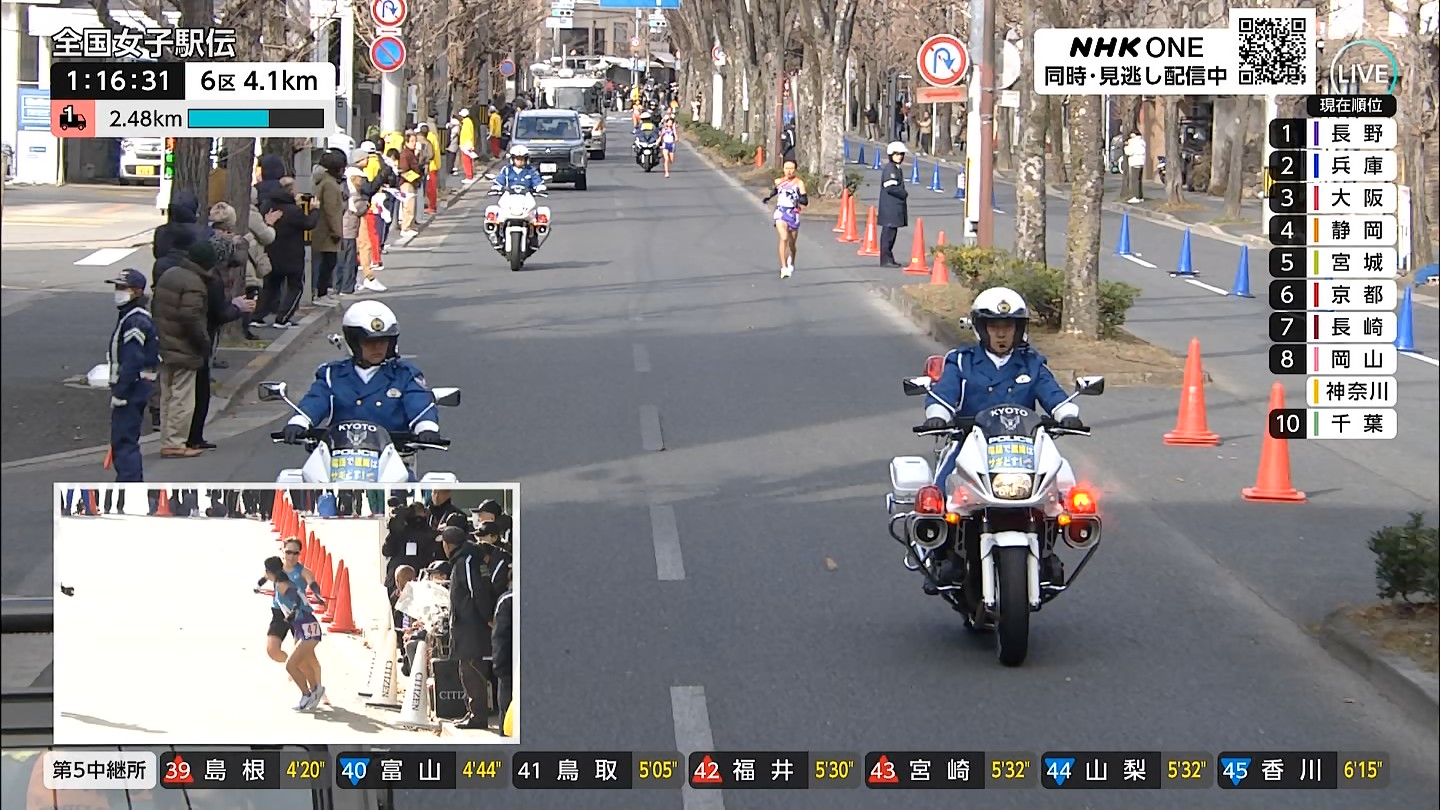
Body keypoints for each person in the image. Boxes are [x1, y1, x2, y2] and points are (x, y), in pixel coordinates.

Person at [919, 287, 1082, 591]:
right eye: (994, 326)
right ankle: (940, 557)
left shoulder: (1032, 363)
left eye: (1009, 326)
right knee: (937, 494)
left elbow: (1053, 394)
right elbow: (944, 393)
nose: (1002, 334)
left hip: (1024, 447)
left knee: (1062, 492)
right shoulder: (962, 361)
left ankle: (1047, 551)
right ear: (981, 328)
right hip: (970, 443)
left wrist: (1067, 413)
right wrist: (938, 415)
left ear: (1019, 329)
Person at [280, 300, 441, 448]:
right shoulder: (332, 375)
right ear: (354, 342)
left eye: (383, 340)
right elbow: (316, 400)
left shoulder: (404, 375)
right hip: (338, 454)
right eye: (369, 342)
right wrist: (299, 422)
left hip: (393, 456)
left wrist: (426, 427)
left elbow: (418, 402)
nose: (377, 347)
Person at [152, 241, 212, 458]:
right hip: (184, 346)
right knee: (183, 396)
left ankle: (167, 440)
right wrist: (203, 342)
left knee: (167, 395)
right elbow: (191, 316)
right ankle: (176, 442)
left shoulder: (170, 274)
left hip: (165, 342)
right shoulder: (194, 282)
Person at [441, 525, 496, 730]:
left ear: (448, 545)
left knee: (471, 670)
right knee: (467, 669)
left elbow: (477, 591)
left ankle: (478, 716)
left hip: (471, 626)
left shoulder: (466, 561)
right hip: (468, 625)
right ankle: (473, 712)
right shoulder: (469, 559)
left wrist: (487, 616)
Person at [106, 269, 159, 482]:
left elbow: (133, 359)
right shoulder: (131, 316)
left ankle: (129, 487)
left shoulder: (135, 320)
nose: (118, 292)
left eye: (122, 288)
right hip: (136, 386)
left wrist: (121, 392)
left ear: (137, 291)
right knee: (124, 441)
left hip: (132, 388)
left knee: (124, 442)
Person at [257, 554, 327, 711]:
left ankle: (307, 694)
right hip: (303, 628)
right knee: (300, 662)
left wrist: (293, 612)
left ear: (269, 572)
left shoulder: (282, 585)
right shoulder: (279, 581)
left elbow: (295, 598)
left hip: (307, 628)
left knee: (291, 665)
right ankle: (315, 690)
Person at [251, 175, 319, 329]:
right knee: (296, 286)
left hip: (272, 251)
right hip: (292, 254)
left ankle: (258, 316)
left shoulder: (268, 205)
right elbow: (309, 224)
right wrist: (314, 210)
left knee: (270, 286)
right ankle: (283, 317)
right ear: (291, 191)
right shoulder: (293, 211)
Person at [761, 158, 808, 279]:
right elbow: (775, 191)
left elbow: (805, 201)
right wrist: (768, 198)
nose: (789, 171)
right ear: (783, 169)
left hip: (793, 213)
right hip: (781, 212)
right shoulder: (779, 181)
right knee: (784, 237)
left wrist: (797, 198)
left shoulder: (799, 183)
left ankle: (791, 261)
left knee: (792, 244)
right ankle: (783, 267)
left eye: (791, 168)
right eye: (786, 168)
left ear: (795, 170)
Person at [310, 148, 346, 305]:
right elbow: (331, 210)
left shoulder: (322, 180)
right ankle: (321, 293)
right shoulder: (330, 184)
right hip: (327, 231)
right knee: (328, 262)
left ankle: (321, 292)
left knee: (324, 262)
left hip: (321, 228)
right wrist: (336, 231)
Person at [877, 141, 909, 268]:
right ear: (891, 155)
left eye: (901, 154)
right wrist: (903, 193)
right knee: (888, 235)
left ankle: (888, 258)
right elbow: (890, 187)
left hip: (893, 207)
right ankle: (886, 259)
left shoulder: (896, 168)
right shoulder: (890, 169)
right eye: (896, 154)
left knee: (891, 234)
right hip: (890, 207)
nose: (899, 157)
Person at [490, 564, 513, 733]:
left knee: (507, 710)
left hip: (510, 665)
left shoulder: (507, 600)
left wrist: (499, 666)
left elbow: (500, 636)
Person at [1125, 130, 1147, 203]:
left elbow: (1129, 152)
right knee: (1139, 180)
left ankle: (1136, 197)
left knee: (1135, 180)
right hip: (1141, 162)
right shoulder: (1142, 141)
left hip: (1134, 162)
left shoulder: (1133, 142)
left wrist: (1126, 146)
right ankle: (1140, 196)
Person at [660, 113, 678, 177]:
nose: (670, 124)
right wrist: (658, 142)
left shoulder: (673, 130)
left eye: (671, 123)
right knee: (666, 159)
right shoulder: (664, 129)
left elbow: (676, 138)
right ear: (666, 123)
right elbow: (661, 136)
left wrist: (675, 137)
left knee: (671, 160)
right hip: (665, 144)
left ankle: (667, 163)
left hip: (671, 145)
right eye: (669, 122)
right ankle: (666, 172)